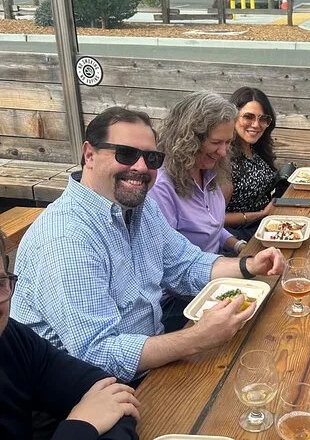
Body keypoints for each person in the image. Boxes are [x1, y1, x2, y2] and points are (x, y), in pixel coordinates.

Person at [10, 106, 285, 384]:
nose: (141, 167)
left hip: (150, 357)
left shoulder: (141, 208)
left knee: (267, 354)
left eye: (151, 158)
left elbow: (185, 265)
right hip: (89, 390)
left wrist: (250, 264)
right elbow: (97, 353)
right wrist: (198, 337)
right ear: (89, 155)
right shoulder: (67, 237)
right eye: (126, 154)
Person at [0, 231, 140, 439]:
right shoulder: (62, 238)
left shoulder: (12, 338)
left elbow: (114, 396)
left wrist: (84, 424)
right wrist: (81, 427)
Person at [148, 91, 248, 256]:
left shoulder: (209, 172)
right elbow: (169, 256)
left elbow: (213, 227)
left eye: (228, 142)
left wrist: (240, 246)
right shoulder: (161, 187)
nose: (223, 152)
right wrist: (237, 265)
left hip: (219, 262)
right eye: (216, 142)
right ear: (189, 140)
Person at [224, 87, 278, 241]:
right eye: (248, 117)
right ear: (233, 116)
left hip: (266, 225)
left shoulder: (257, 149)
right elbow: (215, 218)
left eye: (263, 119)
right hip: (237, 235)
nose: (256, 124)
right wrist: (260, 214)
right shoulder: (224, 157)